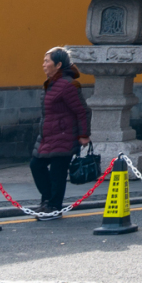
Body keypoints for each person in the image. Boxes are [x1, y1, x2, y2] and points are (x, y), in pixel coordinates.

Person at [32, 47, 93, 216]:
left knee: (57, 173)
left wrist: (83, 135)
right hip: (48, 136)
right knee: (36, 165)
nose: (43, 64)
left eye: (47, 61)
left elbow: (83, 111)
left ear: (58, 65)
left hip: (64, 136)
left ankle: (53, 206)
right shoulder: (51, 83)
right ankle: (47, 201)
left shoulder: (68, 85)